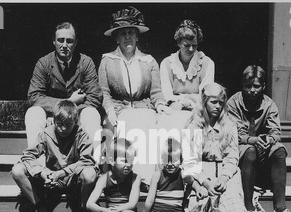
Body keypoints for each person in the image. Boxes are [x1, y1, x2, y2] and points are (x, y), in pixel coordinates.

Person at [183, 82, 261, 212]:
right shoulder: (192, 125)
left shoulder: (229, 125)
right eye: (213, 102)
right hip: (201, 174)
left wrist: (225, 177)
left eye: (221, 102)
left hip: (225, 173)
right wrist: (205, 182)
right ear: (204, 102)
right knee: (206, 211)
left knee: (234, 201)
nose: (217, 106)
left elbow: (232, 156)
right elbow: (190, 161)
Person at [227, 65, 291, 212]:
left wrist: (269, 139)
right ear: (242, 85)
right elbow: (233, 133)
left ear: (263, 86)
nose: (252, 90)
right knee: (249, 151)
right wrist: (252, 140)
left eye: (256, 86)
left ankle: (280, 209)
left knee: (279, 151)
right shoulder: (233, 103)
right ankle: (248, 209)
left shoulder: (269, 104)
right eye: (248, 86)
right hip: (240, 148)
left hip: (262, 147)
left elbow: (276, 131)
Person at [98, 6, 167, 185]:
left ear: (137, 36)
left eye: (131, 32)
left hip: (144, 109)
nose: (127, 36)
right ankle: (124, 179)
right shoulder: (107, 60)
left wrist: (159, 105)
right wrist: (110, 109)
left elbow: (156, 92)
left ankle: (145, 179)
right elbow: (104, 91)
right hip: (118, 110)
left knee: (150, 121)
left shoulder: (149, 61)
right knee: (117, 124)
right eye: (123, 33)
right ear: (117, 38)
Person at [11, 100, 99, 212]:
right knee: (17, 170)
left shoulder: (82, 135)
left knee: (90, 173)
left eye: (68, 125)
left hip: (73, 180)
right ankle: (42, 211)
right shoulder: (46, 133)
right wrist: (42, 172)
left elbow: (87, 161)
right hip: (50, 179)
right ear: (54, 121)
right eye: (59, 124)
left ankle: (82, 210)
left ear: (75, 122)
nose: (63, 128)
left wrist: (62, 173)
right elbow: (28, 156)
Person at [26, 21, 103, 147]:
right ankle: (35, 161)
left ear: (76, 42)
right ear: (54, 41)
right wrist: (68, 102)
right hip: (51, 117)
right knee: (33, 113)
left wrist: (69, 112)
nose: (65, 45)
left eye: (69, 41)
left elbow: (95, 97)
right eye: (60, 40)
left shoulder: (86, 62)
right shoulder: (43, 63)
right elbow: (34, 97)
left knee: (91, 114)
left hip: (77, 116)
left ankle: (91, 161)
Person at [138, 138, 205, 212]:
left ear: (181, 160)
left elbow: (192, 182)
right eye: (166, 160)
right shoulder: (157, 175)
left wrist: (198, 189)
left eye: (174, 160)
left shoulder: (183, 174)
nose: (170, 164)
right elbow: (149, 200)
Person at [158, 19, 215, 132]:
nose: (191, 49)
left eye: (194, 45)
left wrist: (186, 102)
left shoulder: (207, 63)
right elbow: (166, 94)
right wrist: (179, 103)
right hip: (173, 108)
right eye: (186, 45)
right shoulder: (167, 63)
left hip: (198, 109)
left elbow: (206, 94)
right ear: (178, 43)